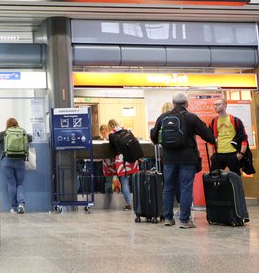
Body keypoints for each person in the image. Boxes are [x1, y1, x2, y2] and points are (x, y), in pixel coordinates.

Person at [150, 92, 216, 229]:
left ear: (173, 104)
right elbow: (208, 135)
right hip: (187, 158)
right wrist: (213, 140)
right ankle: (185, 220)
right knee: (186, 187)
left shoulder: (163, 117)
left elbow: (154, 137)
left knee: (168, 187)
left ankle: (168, 218)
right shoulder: (191, 117)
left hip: (168, 159)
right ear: (186, 104)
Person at [0, 118, 30, 214]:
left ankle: (14, 207)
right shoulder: (22, 131)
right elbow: (30, 138)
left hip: (7, 161)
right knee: (20, 183)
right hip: (20, 160)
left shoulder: (5, 132)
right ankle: (21, 204)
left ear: (7, 124)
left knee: (11, 183)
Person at [207, 98, 249, 177]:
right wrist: (211, 156)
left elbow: (244, 138)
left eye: (218, 104)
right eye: (214, 105)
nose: (215, 106)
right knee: (214, 180)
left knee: (236, 179)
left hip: (233, 154)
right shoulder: (213, 122)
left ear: (225, 105)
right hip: (218, 155)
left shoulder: (235, 120)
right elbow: (210, 140)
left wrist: (241, 154)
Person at [106, 119, 140, 211]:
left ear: (109, 127)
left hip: (121, 160)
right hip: (132, 158)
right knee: (135, 182)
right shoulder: (126, 131)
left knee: (125, 183)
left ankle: (129, 204)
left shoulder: (111, 135)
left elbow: (111, 150)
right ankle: (139, 203)